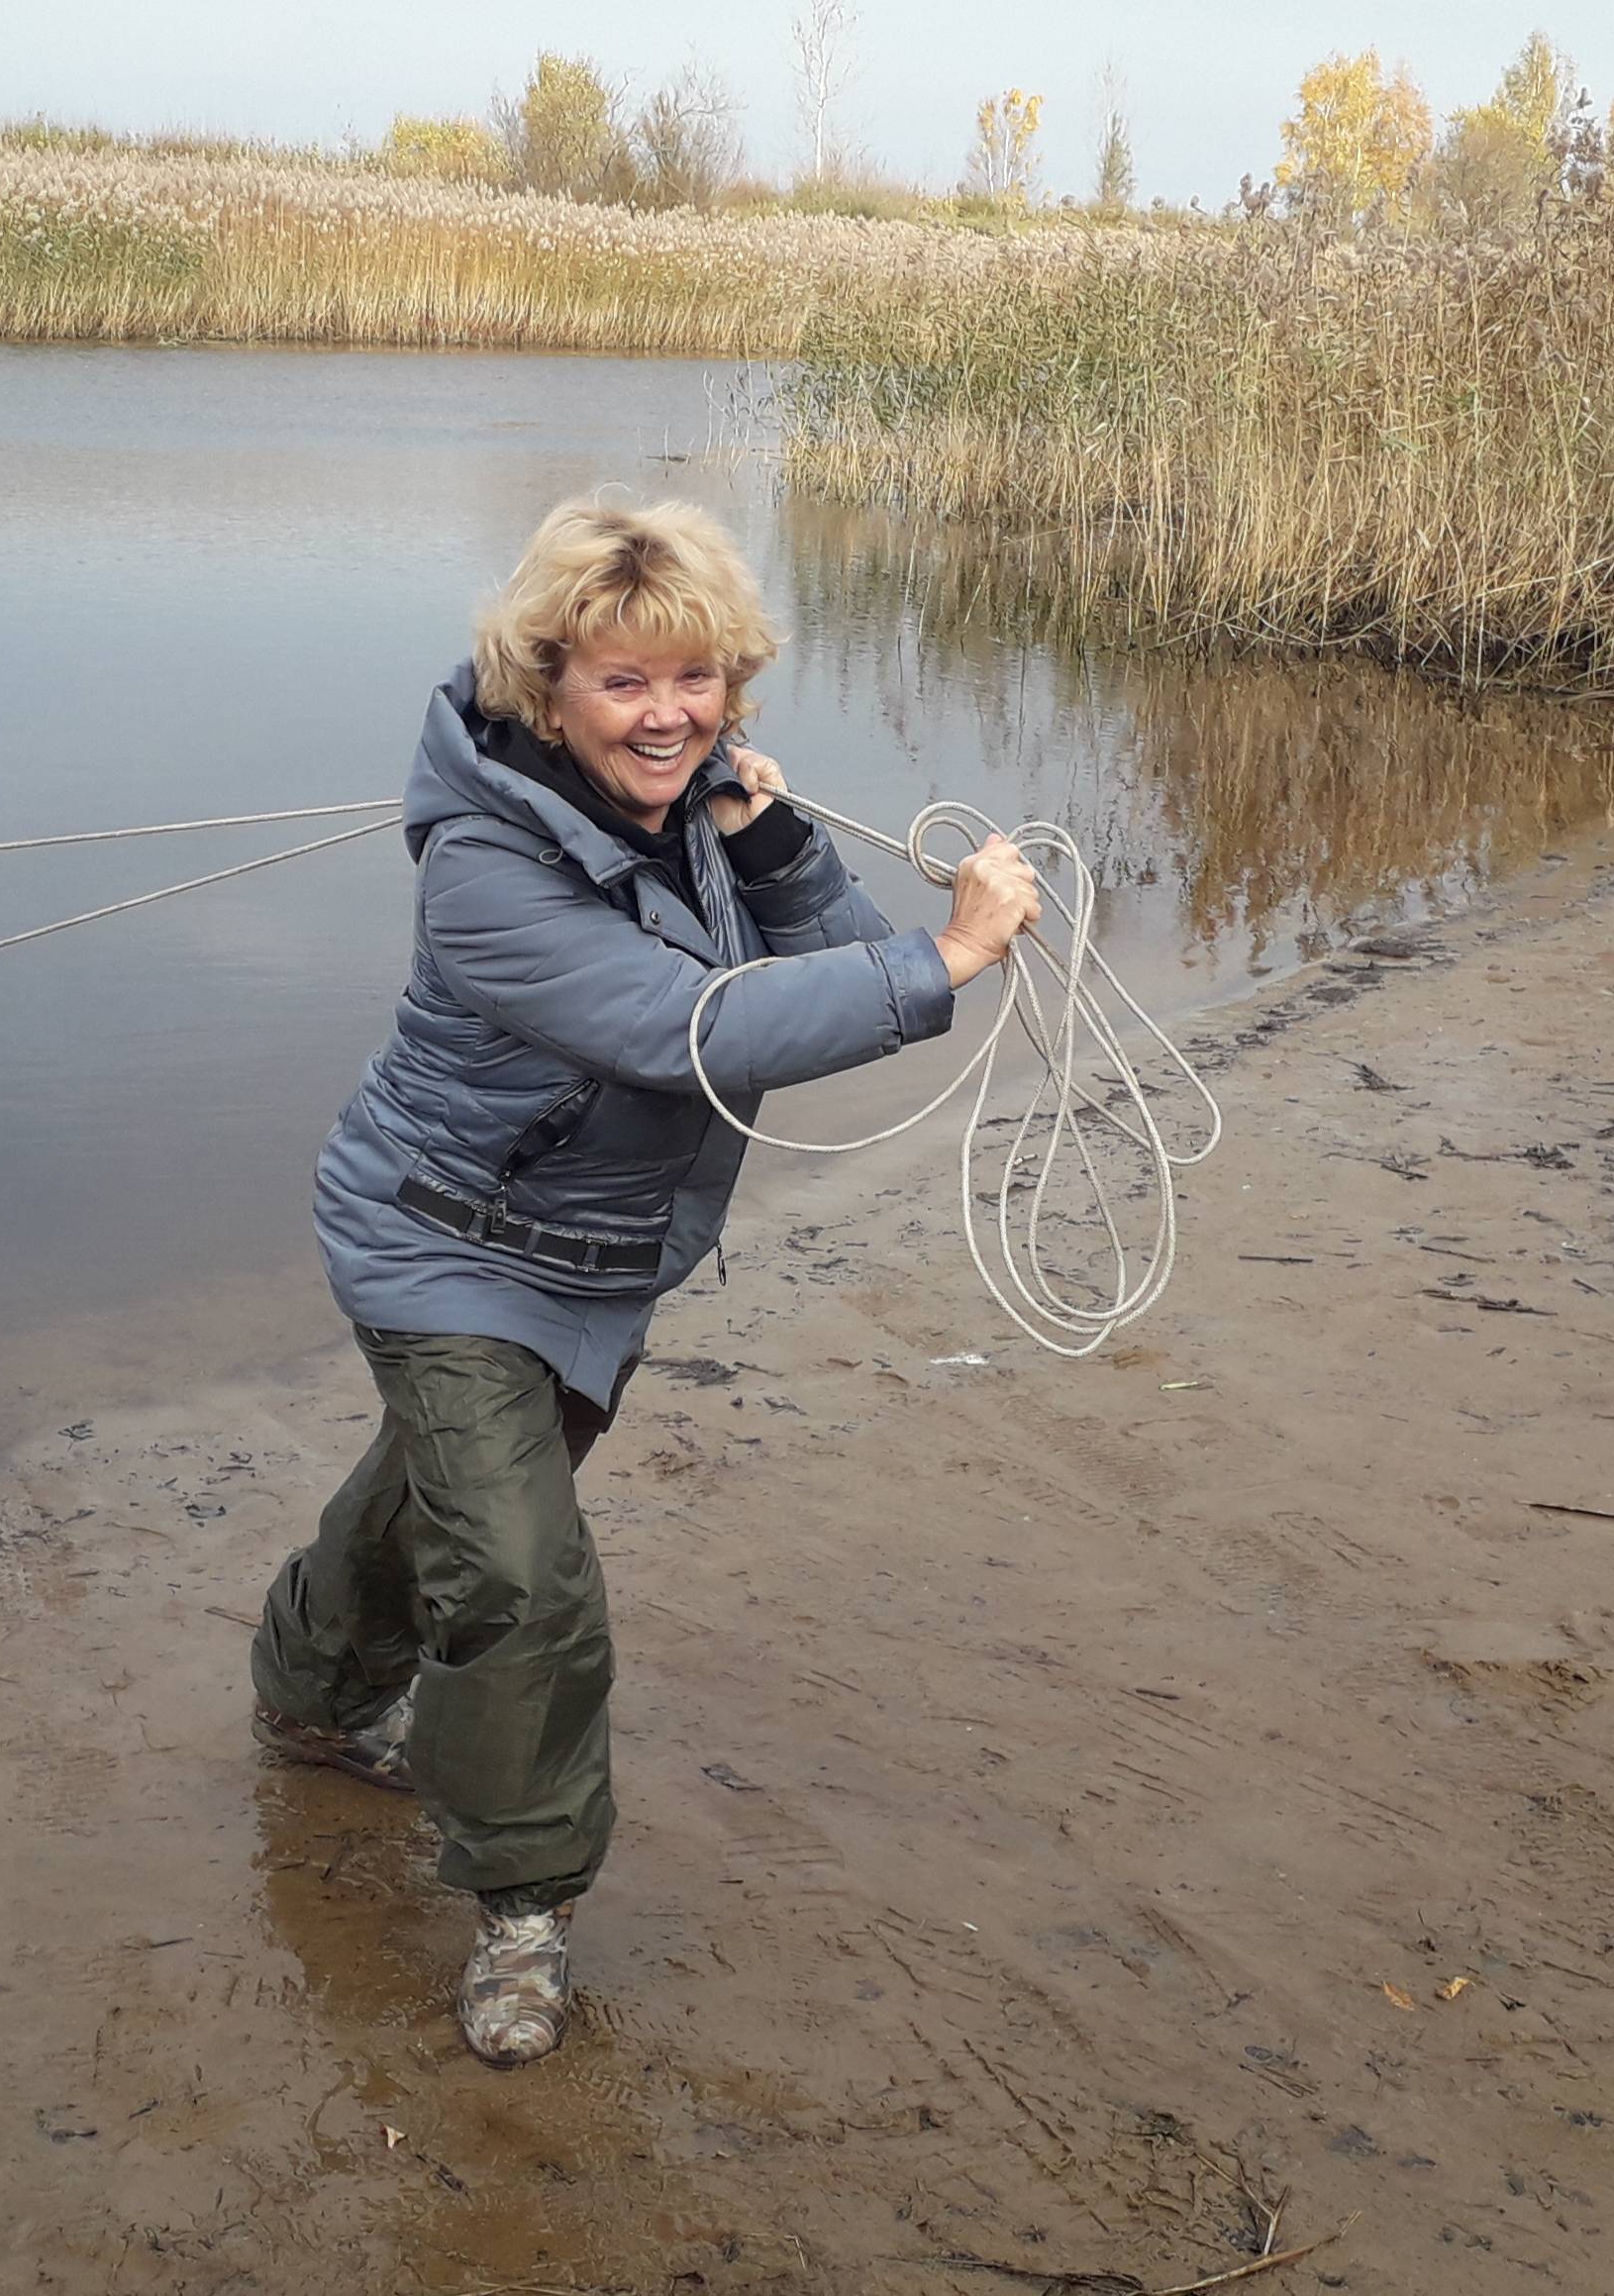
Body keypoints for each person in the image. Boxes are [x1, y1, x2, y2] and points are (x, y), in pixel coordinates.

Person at [248, 496, 1044, 2067]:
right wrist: (948, 961)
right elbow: (702, 1032)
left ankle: (308, 1691)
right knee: (527, 1576)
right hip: (440, 1239)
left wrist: (774, 839)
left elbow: (828, 950)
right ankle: (524, 1912)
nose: (669, 715)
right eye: (624, 684)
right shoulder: (484, 867)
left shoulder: (695, 805)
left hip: (602, 1258)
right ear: (545, 688)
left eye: (698, 680)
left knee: (453, 1500)